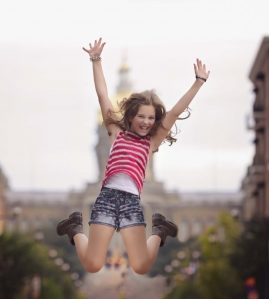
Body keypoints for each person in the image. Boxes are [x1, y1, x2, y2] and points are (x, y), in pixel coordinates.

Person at [57, 38, 210, 275]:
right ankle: (75, 228)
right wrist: (95, 60)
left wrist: (198, 82)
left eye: (151, 118)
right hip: (107, 199)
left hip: (131, 202)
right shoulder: (115, 133)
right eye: (142, 116)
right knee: (93, 264)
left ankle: (159, 230)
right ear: (130, 117)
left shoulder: (152, 142)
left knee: (140, 266)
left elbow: (176, 111)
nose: (147, 122)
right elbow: (102, 95)